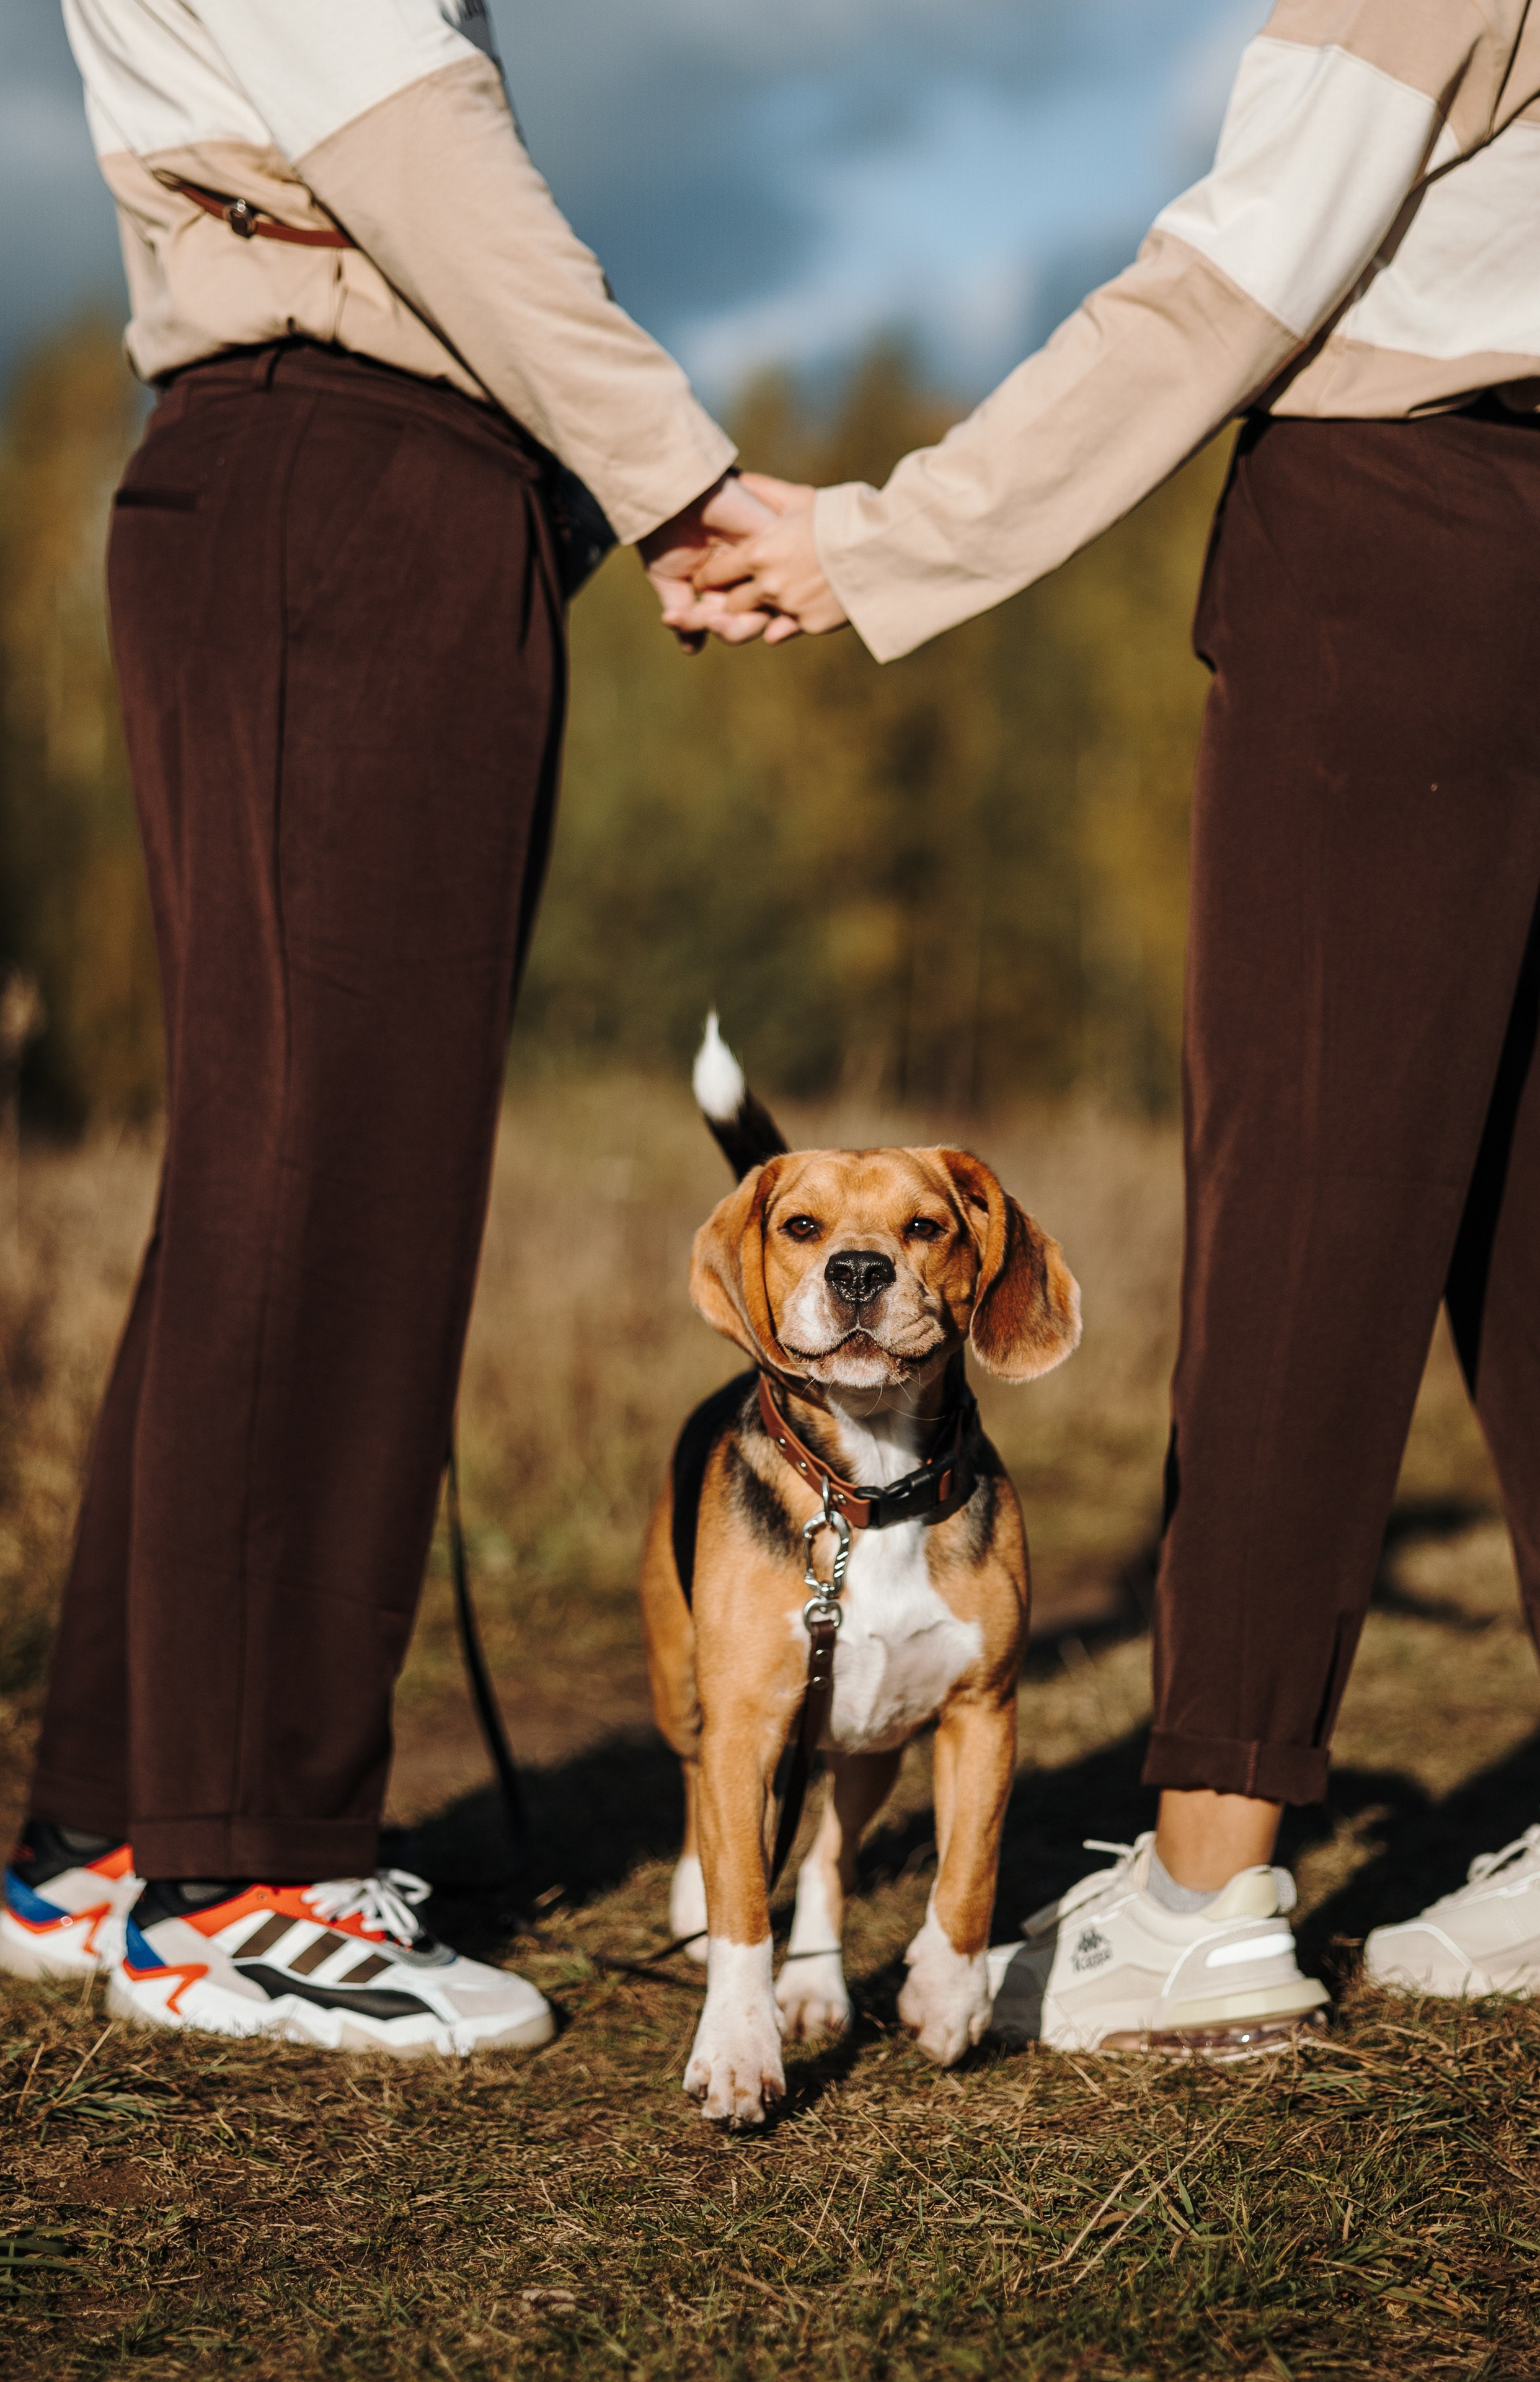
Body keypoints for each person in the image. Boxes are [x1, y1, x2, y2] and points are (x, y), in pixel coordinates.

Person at [693, 0, 1540, 2047]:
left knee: (1308, 1205)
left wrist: (880, 534)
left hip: (1404, 541)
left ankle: (1210, 1876)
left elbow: (1225, 288)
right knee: (1526, 1213)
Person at [0, 0, 771, 2056]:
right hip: (341, 479)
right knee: (334, 1166)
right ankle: (241, 1875)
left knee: (268, 1165)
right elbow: (419, 151)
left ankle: (112, 1825)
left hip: (348, 479)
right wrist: (676, 483)